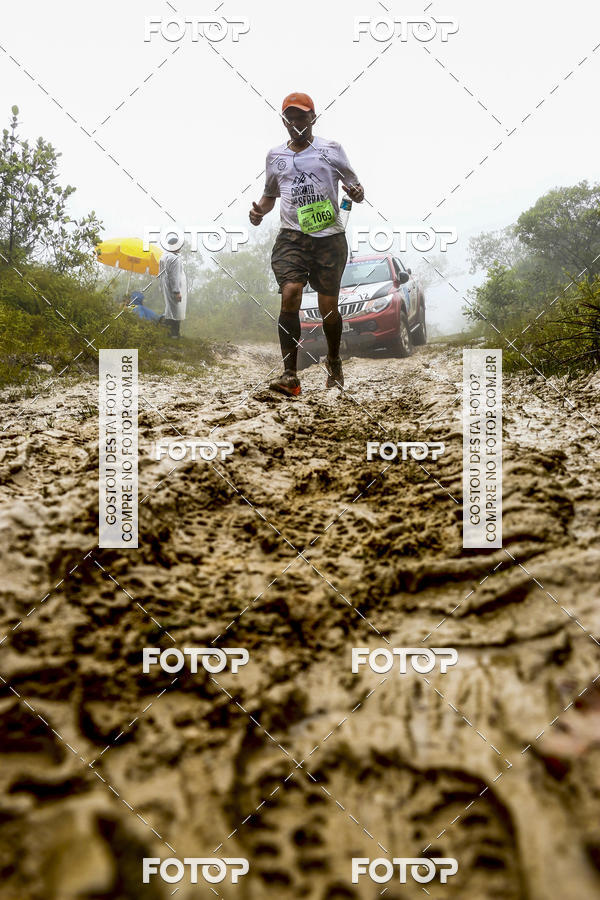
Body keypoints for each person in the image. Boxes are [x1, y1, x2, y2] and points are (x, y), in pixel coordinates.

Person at [249, 91, 364, 397]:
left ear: (313, 118)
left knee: (328, 308)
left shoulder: (332, 149)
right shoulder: (275, 157)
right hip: (292, 237)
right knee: (290, 293)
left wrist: (356, 193)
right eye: (291, 117)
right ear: (284, 121)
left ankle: (334, 360)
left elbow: (356, 187)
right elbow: (270, 195)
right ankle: (290, 375)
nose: (296, 122)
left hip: (329, 238)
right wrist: (259, 211)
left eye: (302, 116)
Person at [158, 237, 187, 337]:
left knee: (170, 309)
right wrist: (176, 291)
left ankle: (166, 333)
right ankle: (174, 334)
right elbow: (174, 276)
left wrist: (161, 288)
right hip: (173, 288)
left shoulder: (163, 257)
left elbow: (160, 274)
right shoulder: (175, 259)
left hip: (166, 286)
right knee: (176, 310)